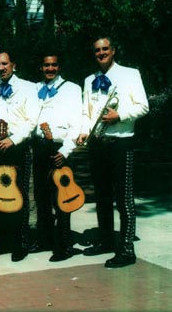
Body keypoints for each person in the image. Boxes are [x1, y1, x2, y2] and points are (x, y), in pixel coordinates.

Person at [77, 36, 149, 268]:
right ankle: (106, 241)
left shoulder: (130, 74)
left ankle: (127, 249)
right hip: (97, 143)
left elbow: (143, 106)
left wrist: (120, 115)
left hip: (121, 143)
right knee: (102, 196)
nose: (101, 53)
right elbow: (86, 112)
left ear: (113, 50)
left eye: (105, 49)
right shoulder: (89, 80)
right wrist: (84, 131)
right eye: (97, 50)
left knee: (124, 198)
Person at [0, 51, 38, 262]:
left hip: (17, 147)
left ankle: (21, 241)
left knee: (19, 194)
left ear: (13, 65)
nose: (1, 68)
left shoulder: (28, 87)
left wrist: (13, 140)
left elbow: (31, 120)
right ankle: (3, 240)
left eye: (4, 64)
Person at [31, 54, 82, 261]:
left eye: (53, 65)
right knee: (41, 197)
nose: (50, 69)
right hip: (39, 147)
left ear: (59, 67)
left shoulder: (72, 89)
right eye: (46, 65)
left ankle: (64, 244)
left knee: (62, 197)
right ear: (41, 67)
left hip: (60, 148)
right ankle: (45, 239)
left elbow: (76, 124)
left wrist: (66, 151)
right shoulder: (35, 89)